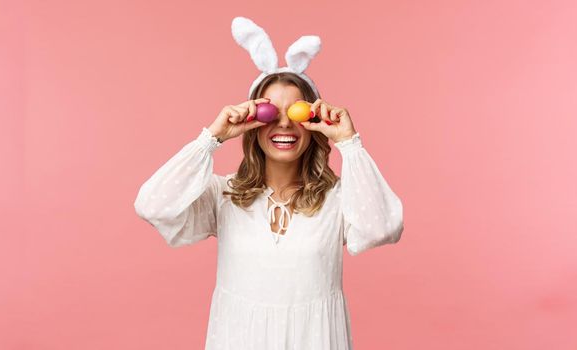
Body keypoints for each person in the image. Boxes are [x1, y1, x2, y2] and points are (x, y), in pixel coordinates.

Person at [133, 17, 403, 350]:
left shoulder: (337, 199)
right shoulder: (225, 195)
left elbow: (383, 227)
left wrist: (350, 143)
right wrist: (211, 138)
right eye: (270, 112)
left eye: (297, 112)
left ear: (314, 121)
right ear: (251, 122)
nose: (285, 123)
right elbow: (152, 204)